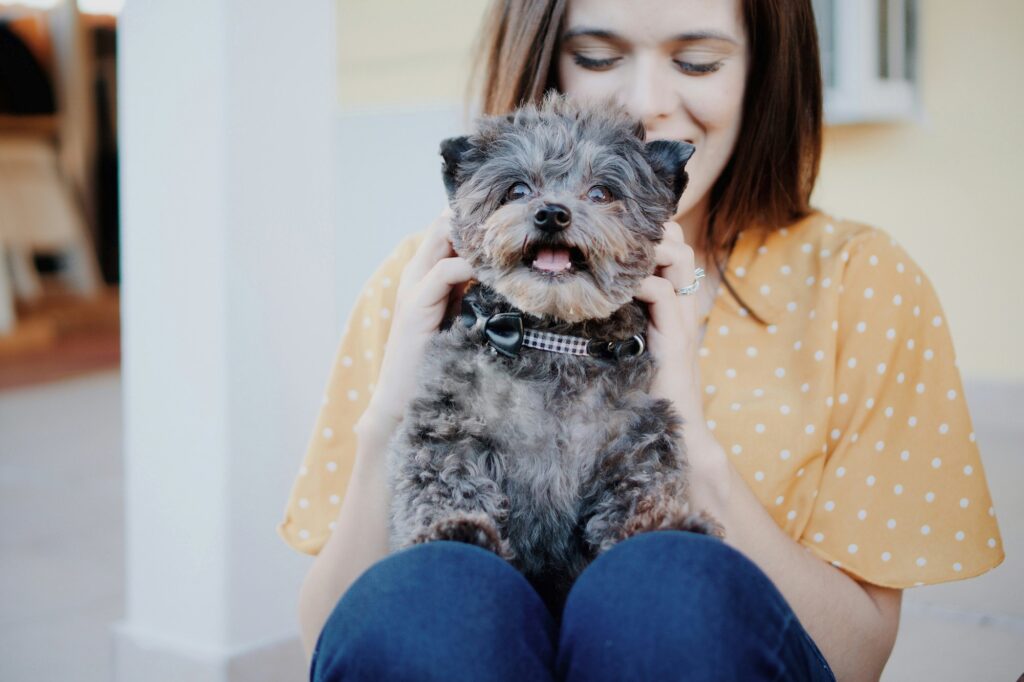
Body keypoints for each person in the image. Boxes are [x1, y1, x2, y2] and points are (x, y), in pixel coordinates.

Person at [278, 1, 1005, 680]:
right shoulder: (421, 289)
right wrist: (390, 423)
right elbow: (338, 646)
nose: (642, 103)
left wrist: (694, 449)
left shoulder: (861, 283)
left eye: (697, 63)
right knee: (430, 598)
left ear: (765, 74)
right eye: (596, 56)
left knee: (664, 589)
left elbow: (856, 660)